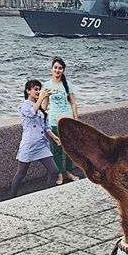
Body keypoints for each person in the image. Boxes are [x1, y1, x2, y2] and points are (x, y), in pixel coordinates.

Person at [9, 80, 61, 199]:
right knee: (21, 173)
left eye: (39, 89)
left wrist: (54, 137)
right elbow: (32, 113)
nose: (38, 91)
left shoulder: (39, 106)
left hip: (41, 144)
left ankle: (48, 195)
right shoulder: (24, 106)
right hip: (29, 144)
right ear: (28, 91)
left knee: (53, 171)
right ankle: (11, 197)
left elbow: (45, 125)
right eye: (35, 89)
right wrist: (41, 98)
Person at [44, 57, 79, 185]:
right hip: (53, 120)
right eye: (55, 68)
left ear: (63, 70)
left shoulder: (68, 85)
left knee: (68, 148)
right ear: (51, 69)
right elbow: (44, 105)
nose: (57, 70)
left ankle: (69, 172)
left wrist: (76, 120)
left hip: (67, 120)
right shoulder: (47, 85)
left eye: (60, 68)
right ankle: (59, 174)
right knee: (57, 149)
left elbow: (73, 103)